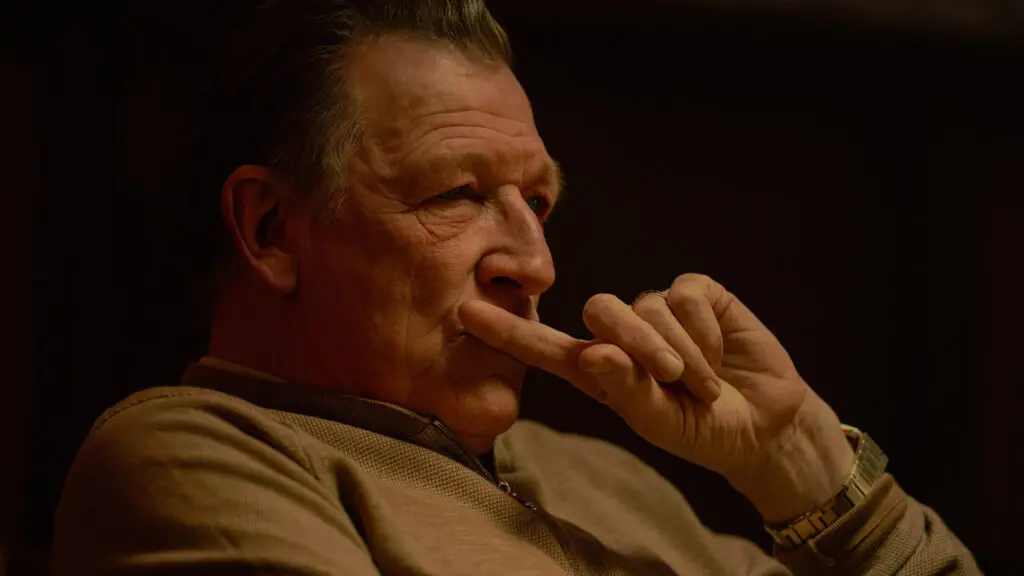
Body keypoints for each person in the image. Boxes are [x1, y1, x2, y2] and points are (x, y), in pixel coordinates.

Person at [52, 1, 980, 574]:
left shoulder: (607, 479)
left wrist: (799, 467)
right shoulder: (191, 454)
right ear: (270, 231)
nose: (536, 265)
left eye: (538, 203)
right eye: (457, 194)